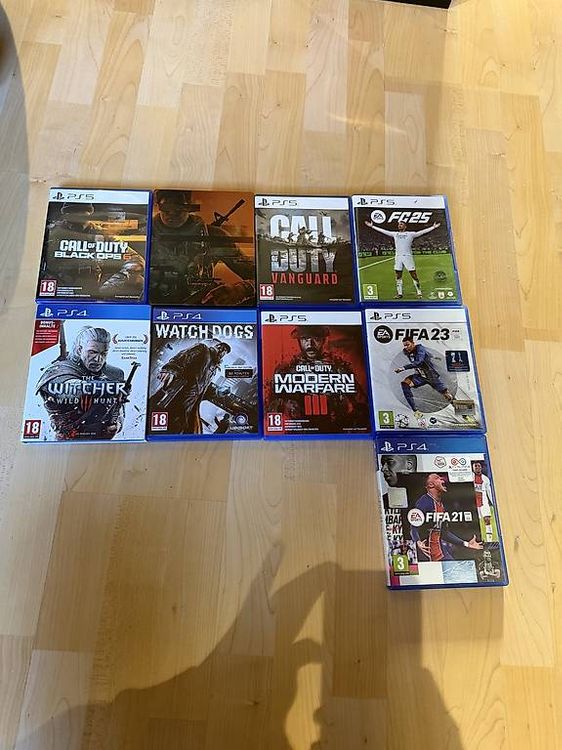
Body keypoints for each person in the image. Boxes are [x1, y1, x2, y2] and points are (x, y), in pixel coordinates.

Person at [150, 190, 255, 305]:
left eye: (178, 208)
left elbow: (259, 277)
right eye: (167, 208)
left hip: (200, 303)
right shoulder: (144, 234)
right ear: (159, 206)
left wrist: (241, 289)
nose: (172, 213)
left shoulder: (214, 236)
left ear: (189, 206)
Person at [266, 325, 368, 429]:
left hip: (335, 428)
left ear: (323, 340)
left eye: (316, 339)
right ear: (299, 341)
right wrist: (287, 406)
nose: (310, 344)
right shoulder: (287, 368)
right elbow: (272, 406)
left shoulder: (338, 366)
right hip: (299, 428)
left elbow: (360, 402)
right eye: (305, 339)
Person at [36, 326, 128, 440]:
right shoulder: (60, 369)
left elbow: (119, 408)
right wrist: (107, 386)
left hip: (102, 440)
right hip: (68, 439)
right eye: (92, 352)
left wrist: (117, 424)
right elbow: (70, 389)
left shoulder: (114, 374)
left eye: (104, 353)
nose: (98, 359)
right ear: (80, 350)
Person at [149, 340, 232, 434]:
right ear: (217, 346)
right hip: (176, 395)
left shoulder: (213, 370)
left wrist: (217, 392)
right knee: (158, 422)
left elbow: (203, 388)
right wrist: (170, 369)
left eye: (225, 351)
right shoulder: (203, 349)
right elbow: (183, 357)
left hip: (188, 406)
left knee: (175, 429)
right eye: (221, 347)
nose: (222, 351)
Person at [410, 473, 483, 561]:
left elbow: (444, 533)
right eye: (438, 478)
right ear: (431, 484)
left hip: (440, 552)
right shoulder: (424, 501)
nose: (442, 479)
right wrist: (418, 541)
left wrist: (466, 544)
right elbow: (413, 526)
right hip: (426, 553)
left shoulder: (441, 505)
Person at [364, 218, 440, 298]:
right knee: (398, 275)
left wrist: (433, 227)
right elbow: (384, 231)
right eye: (399, 224)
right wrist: (372, 226)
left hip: (408, 257)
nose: (399, 225)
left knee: (413, 275)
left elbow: (422, 232)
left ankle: (419, 292)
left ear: (405, 226)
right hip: (398, 257)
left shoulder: (410, 234)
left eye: (401, 224)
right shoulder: (395, 234)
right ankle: (399, 294)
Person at [395, 335, 454, 419]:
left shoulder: (420, 349)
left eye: (408, 345)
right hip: (420, 376)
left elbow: (418, 362)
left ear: (413, 343)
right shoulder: (407, 352)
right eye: (404, 345)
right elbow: (426, 354)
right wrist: (433, 357)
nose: (406, 347)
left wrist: (403, 368)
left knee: (447, 395)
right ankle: (416, 411)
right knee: (405, 384)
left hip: (431, 376)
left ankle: (464, 413)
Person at [472, 461, 495, 543]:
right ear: (473, 468)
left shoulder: (485, 479)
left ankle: (489, 541)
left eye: (479, 466)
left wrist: (493, 503)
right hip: (474, 502)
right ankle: (478, 540)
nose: (477, 468)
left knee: (487, 520)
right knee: (476, 522)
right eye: (475, 466)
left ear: (481, 467)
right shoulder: (470, 477)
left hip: (484, 501)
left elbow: (489, 492)